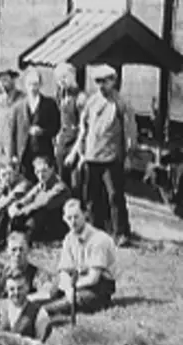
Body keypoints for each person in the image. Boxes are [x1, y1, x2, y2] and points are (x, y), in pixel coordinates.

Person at [66, 65, 136, 245]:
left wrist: (129, 156)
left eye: (105, 81)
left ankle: (121, 232)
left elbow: (129, 132)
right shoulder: (91, 102)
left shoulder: (121, 103)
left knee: (115, 196)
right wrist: (80, 153)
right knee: (91, 196)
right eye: (98, 81)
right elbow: (84, 130)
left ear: (113, 81)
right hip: (91, 157)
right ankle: (94, 230)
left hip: (112, 158)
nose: (102, 85)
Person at [43, 199, 117, 317]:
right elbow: (64, 270)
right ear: (64, 218)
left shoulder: (98, 239)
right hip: (79, 279)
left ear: (85, 215)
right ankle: (36, 308)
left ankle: (44, 311)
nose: (73, 222)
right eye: (69, 218)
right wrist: (68, 288)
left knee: (75, 300)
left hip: (99, 285)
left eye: (76, 217)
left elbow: (93, 278)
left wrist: (72, 288)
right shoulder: (69, 238)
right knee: (54, 290)